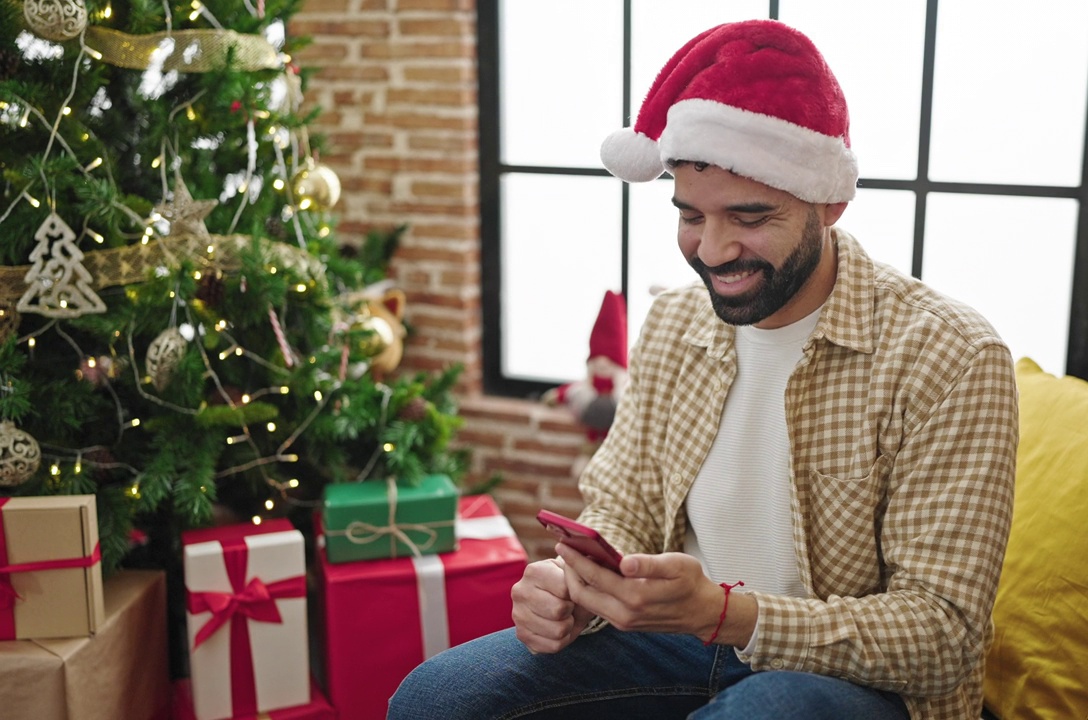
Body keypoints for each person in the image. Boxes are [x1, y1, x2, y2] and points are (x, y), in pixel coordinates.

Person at [389, 18, 1018, 720]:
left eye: (749, 217)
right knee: (434, 700)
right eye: (691, 215)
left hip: (854, 684)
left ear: (829, 203)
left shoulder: (952, 355)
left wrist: (728, 613)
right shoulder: (677, 323)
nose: (713, 250)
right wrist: (575, 586)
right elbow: (623, 506)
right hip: (682, 639)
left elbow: (944, 636)